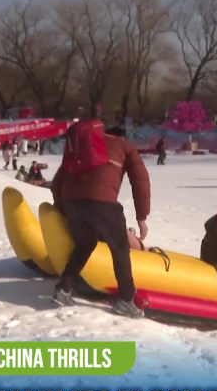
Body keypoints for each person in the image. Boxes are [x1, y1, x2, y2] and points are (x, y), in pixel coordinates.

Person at [50, 118, 150, 318]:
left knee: (84, 244)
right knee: (120, 248)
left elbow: (58, 180)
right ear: (121, 136)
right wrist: (141, 216)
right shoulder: (125, 147)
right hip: (102, 202)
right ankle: (125, 300)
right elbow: (140, 181)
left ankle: (64, 289)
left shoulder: (80, 147)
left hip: (72, 202)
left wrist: (63, 209)